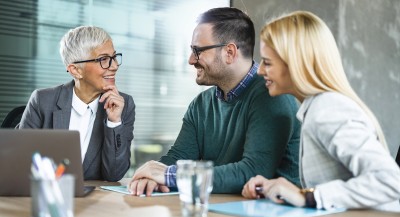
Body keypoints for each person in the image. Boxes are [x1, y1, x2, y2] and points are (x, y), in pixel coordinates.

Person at [128, 7, 301, 196]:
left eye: (198, 50)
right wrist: (151, 177)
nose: (191, 60)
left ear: (229, 52)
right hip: (225, 211)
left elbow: (254, 171)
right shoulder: (201, 104)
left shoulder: (272, 96)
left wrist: (169, 175)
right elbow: (178, 158)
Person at [242, 11, 400, 212]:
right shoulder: (316, 107)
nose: (259, 70)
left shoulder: (328, 109)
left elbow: (390, 181)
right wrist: (278, 187)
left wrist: (308, 197)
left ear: (297, 63)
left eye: (268, 62)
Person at [19, 26, 135, 182]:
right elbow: (21, 164)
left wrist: (114, 122)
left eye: (114, 57)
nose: (114, 66)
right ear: (75, 70)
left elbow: (114, 174)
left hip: (95, 201)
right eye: (104, 59)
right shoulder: (42, 101)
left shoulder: (124, 105)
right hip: (48, 195)